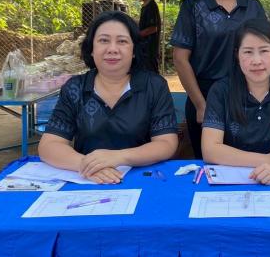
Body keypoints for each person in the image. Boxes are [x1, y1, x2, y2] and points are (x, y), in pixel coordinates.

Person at [39, 11, 179, 184]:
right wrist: (87, 165)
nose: (112, 49)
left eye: (122, 41)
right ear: (91, 49)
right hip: (90, 180)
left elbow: (166, 143)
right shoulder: (75, 88)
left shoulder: (154, 86)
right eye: (104, 40)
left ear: (134, 50)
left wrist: (118, 157)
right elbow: (49, 144)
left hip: (141, 179)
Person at [171, 0, 266, 159]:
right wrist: (200, 104)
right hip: (205, 96)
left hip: (247, 97)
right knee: (209, 164)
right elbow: (180, 58)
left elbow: (265, 52)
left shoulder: (253, 7)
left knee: (247, 163)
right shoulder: (194, 5)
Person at [201, 19, 270, 184]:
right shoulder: (220, 91)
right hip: (232, 182)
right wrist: (267, 159)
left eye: (264, 51)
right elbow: (210, 150)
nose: (256, 61)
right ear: (237, 55)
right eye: (248, 52)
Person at [131, 0, 161, 73]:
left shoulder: (151, 6)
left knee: (151, 73)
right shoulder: (146, 5)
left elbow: (153, 28)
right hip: (145, 48)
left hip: (150, 48)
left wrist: (136, 35)